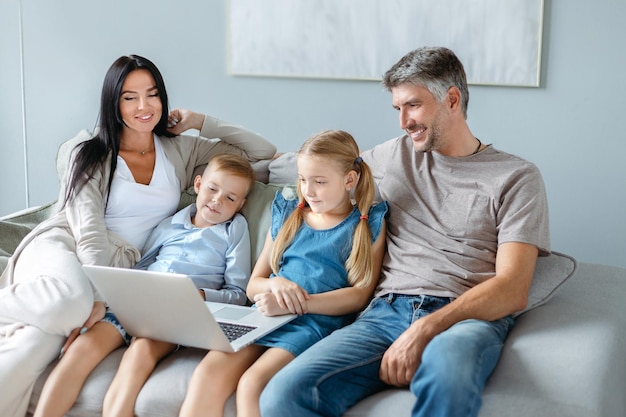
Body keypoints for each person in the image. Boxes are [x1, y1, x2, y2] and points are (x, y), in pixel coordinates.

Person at [259, 47, 550, 417]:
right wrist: (207, 141)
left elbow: (513, 288)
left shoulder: (516, 177)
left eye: (412, 105)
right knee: (284, 393)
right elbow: (314, 166)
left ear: (452, 99)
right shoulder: (394, 155)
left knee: (449, 375)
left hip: (463, 319)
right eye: (397, 108)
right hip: (385, 313)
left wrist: (427, 328)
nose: (403, 122)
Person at [0, 54, 275, 417]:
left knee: (28, 353)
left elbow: (261, 153)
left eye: (152, 94)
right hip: (67, 247)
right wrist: (101, 297)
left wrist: (199, 121)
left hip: (125, 266)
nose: (144, 107)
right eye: (130, 97)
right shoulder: (91, 153)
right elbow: (89, 232)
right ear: (113, 103)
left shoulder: (181, 149)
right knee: (70, 303)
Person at [177, 130, 388, 417]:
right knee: (209, 371)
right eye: (303, 180)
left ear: (350, 179)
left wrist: (297, 301)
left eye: (320, 182)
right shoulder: (289, 211)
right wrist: (277, 288)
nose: (309, 190)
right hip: (264, 315)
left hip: (314, 323)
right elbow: (254, 285)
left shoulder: (366, 221)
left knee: (252, 384)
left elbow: (359, 295)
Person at [32, 153, 257, 417]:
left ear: (241, 204)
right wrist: (109, 299)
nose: (217, 200)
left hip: (178, 314)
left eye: (230, 198)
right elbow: (139, 270)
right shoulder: (169, 225)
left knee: (139, 353)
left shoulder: (233, 229)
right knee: (80, 350)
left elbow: (239, 295)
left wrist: (200, 295)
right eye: (212, 189)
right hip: (137, 304)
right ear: (198, 185)